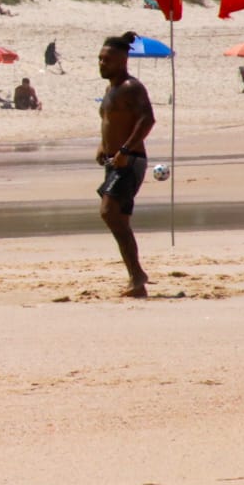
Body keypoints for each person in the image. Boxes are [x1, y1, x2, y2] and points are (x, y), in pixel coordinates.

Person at [96, 32, 154, 298]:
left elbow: (147, 120)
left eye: (107, 60)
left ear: (123, 60)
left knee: (109, 212)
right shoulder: (111, 90)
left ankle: (137, 274)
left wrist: (124, 150)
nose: (102, 64)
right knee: (119, 219)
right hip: (114, 160)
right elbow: (109, 122)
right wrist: (102, 146)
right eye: (100, 59)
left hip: (129, 162)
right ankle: (136, 280)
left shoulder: (132, 87)